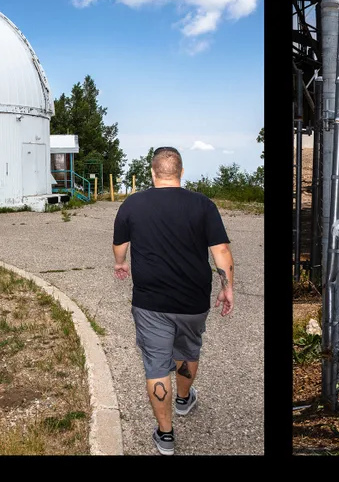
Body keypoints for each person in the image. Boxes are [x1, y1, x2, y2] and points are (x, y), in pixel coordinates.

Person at [112, 146, 235, 455]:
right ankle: (183, 400)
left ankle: (165, 436)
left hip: (150, 301)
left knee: (156, 365)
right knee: (188, 350)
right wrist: (227, 287)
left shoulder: (133, 203)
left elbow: (119, 244)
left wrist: (121, 263)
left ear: (153, 172)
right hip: (193, 300)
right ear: (181, 172)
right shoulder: (203, 205)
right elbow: (220, 251)